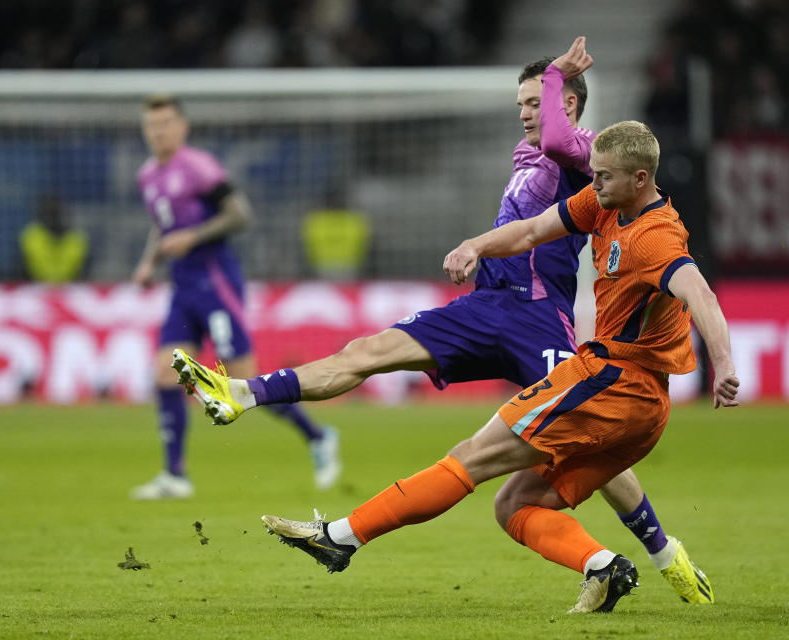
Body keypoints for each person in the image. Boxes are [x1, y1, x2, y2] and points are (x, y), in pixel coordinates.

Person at [172, 38, 715, 604]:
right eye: (524, 103)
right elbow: (525, 222)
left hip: (538, 318)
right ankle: (241, 393)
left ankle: (662, 553)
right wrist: (477, 247)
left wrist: (556, 75)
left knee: (578, 444)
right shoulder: (529, 156)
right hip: (485, 306)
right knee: (368, 351)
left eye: (536, 101)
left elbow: (554, 147)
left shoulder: (580, 151)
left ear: (567, 104)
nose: (526, 112)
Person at [260, 119, 739, 613]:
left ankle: (340, 538)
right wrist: (475, 245)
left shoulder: (654, 238)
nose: (592, 184)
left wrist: (722, 363)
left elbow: (699, 293)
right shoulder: (604, 203)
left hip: (611, 382)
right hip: (641, 410)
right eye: (592, 174)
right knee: (514, 506)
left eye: (604, 177)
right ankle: (604, 568)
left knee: (472, 456)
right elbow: (533, 230)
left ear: (641, 179)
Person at [129, 95, 340, 500]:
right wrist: (148, 263)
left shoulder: (198, 167)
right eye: (152, 125)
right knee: (163, 374)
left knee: (242, 385)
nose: (159, 132)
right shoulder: (147, 177)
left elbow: (240, 214)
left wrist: (194, 236)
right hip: (182, 287)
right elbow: (163, 225)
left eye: (166, 123)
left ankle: (318, 436)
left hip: (216, 285)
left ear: (182, 127)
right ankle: (175, 476)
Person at [20, 194, 89, 283]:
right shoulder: (31, 236)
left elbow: (84, 271)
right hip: (35, 287)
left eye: (55, 213)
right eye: (48, 213)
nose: (52, 218)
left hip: (72, 288)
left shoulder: (77, 239)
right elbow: (21, 269)